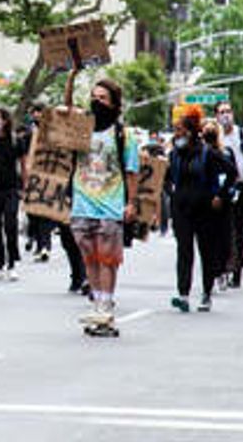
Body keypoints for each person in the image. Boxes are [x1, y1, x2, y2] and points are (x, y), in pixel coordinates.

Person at [65, 72, 139, 336]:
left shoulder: (124, 135)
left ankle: (106, 305)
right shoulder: (81, 129)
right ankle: (96, 303)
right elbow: (66, 108)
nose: (97, 102)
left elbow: (131, 172)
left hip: (110, 206)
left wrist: (131, 203)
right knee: (90, 258)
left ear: (114, 103)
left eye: (103, 98)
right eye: (94, 97)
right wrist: (72, 75)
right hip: (82, 205)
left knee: (107, 258)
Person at [166, 106, 234, 313]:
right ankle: (183, 294)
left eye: (180, 130)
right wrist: (172, 195)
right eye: (175, 130)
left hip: (205, 209)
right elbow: (166, 179)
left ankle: (206, 293)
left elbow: (232, 173)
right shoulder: (175, 155)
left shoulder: (209, 154)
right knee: (184, 250)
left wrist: (219, 196)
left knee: (206, 251)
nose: (177, 135)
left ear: (192, 131)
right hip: (182, 209)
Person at [215, 101, 243, 289]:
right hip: (221, 187)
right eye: (222, 112)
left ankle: (237, 271)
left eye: (228, 111)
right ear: (216, 116)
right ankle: (222, 268)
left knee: (238, 230)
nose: (225, 115)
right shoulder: (215, 134)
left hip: (240, 186)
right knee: (221, 229)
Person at [0, 108, 25, 281]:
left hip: (11, 188)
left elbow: (24, 165)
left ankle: (12, 263)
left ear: (5, 121)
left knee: (10, 224)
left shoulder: (16, 140)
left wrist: (26, 187)